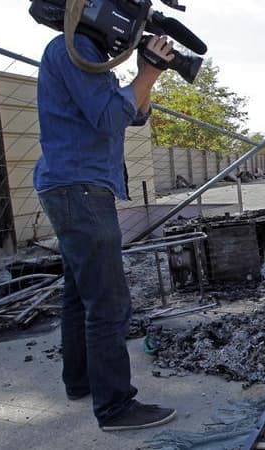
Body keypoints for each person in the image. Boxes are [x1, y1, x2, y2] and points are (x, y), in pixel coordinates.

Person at [34, 31, 176, 431]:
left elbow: (133, 113)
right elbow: (109, 117)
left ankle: (80, 381)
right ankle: (115, 407)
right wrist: (147, 71)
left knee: (81, 293)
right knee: (109, 303)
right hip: (78, 187)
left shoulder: (87, 52)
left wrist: (150, 74)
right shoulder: (74, 48)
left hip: (74, 185)